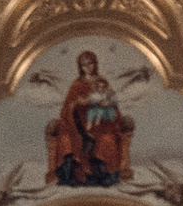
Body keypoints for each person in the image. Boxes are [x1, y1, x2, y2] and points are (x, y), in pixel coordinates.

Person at [47, 51, 133, 191]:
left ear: (95, 64)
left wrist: (107, 104)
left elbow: (113, 104)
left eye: (90, 63)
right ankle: (71, 177)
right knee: (67, 140)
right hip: (78, 124)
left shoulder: (102, 82)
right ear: (80, 67)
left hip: (101, 124)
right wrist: (76, 104)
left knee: (107, 140)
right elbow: (66, 108)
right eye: (84, 64)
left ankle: (105, 177)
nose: (88, 67)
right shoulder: (76, 85)